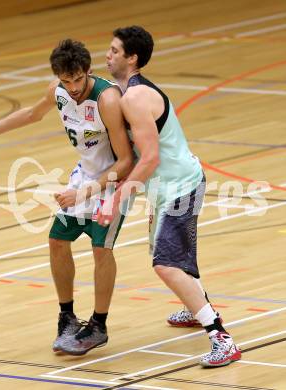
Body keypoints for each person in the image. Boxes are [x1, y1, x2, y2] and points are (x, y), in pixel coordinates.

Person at [0, 39, 134, 355]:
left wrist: (85, 192)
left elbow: (125, 161)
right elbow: (31, 114)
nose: (74, 87)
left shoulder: (106, 98)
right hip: (84, 176)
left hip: (115, 182)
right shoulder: (59, 91)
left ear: (87, 71)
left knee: (100, 248)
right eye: (67, 81)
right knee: (57, 241)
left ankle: (99, 325)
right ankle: (67, 317)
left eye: (78, 79)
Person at [99, 26, 241, 367]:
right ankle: (197, 308)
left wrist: (117, 198)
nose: (108, 54)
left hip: (180, 187)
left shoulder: (135, 98)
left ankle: (221, 336)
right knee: (170, 257)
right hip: (167, 188)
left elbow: (149, 158)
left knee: (165, 264)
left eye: (115, 51)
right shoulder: (124, 92)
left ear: (132, 58)